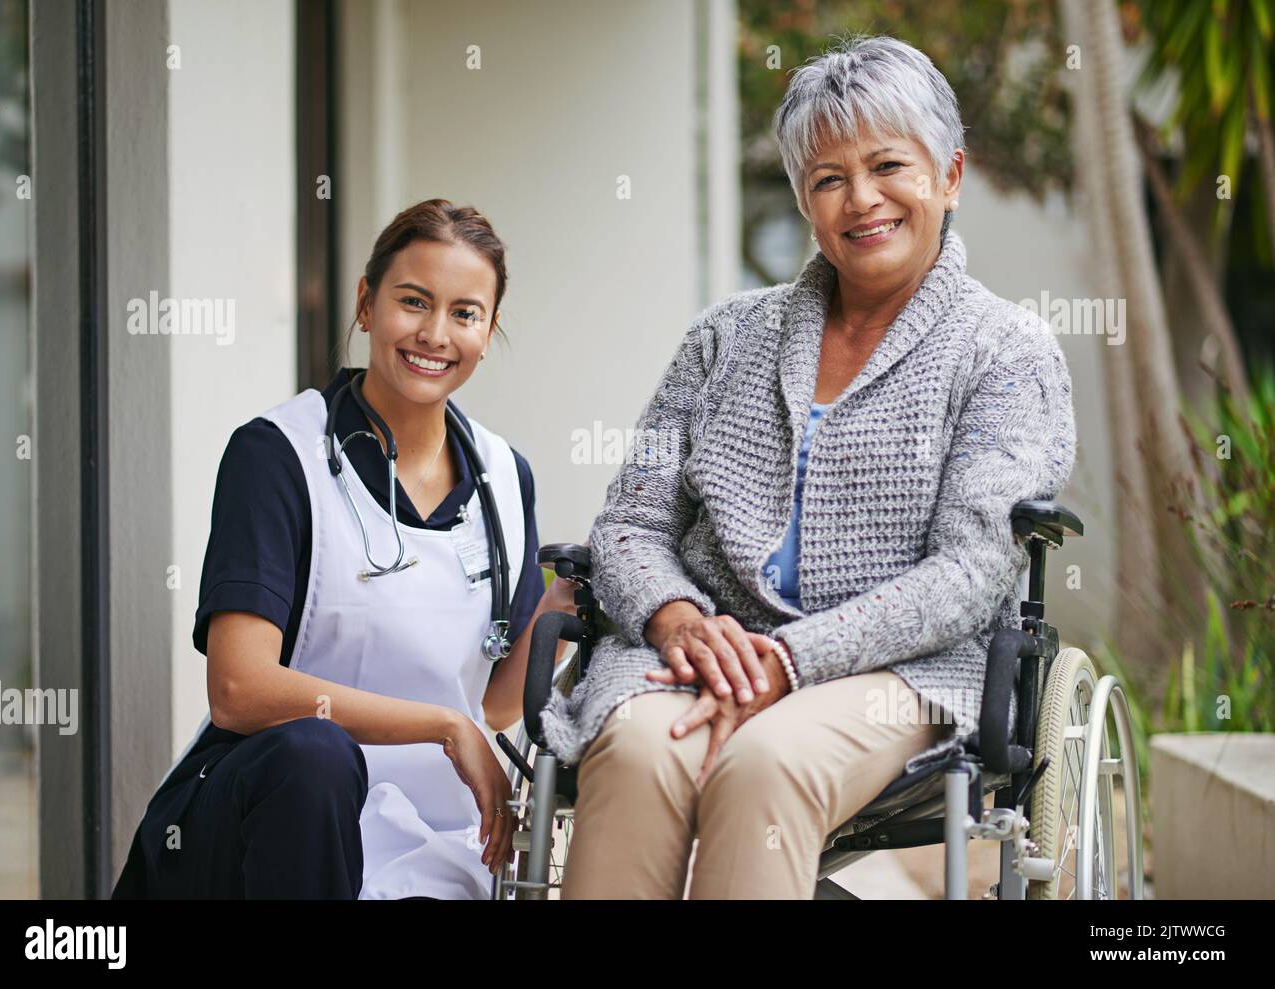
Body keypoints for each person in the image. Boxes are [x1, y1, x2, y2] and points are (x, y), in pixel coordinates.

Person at [540, 35, 1078, 898]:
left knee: (765, 761)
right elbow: (631, 522)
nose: (861, 199)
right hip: (698, 653)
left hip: (898, 671)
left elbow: (972, 570)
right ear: (803, 200)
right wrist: (679, 619)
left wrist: (790, 660)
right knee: (638, 748)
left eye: (888, 165)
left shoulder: (1006, 352)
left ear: (950, 175)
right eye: (828, 178)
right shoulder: (724, 337)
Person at [113, 198, 575, 899]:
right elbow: (238, 689)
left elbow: (498, 700)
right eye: (412, 301)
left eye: (464, 312)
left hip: (428, 838)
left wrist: (567, 603)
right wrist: (445, 727)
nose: (433, 333)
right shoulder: (278, 454)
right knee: (316, 752)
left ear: (489, 330)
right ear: (366, 304)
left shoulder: (505, 476)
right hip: (266, 825)